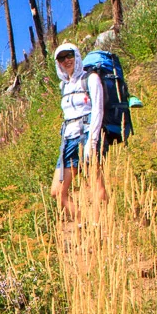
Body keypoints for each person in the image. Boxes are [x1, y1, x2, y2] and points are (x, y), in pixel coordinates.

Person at [50, 40, 114, 218]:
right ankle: (86, 223)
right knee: (57, 192)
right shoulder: (64, 86)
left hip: (88, 135)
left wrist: (92, 142)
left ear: (76, 56)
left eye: (69, 55)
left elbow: (98, 109)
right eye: (61, 58)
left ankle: (104, 226)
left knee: (96, 184)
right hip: (68, 140)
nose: (66, 60)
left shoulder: (90, 78)